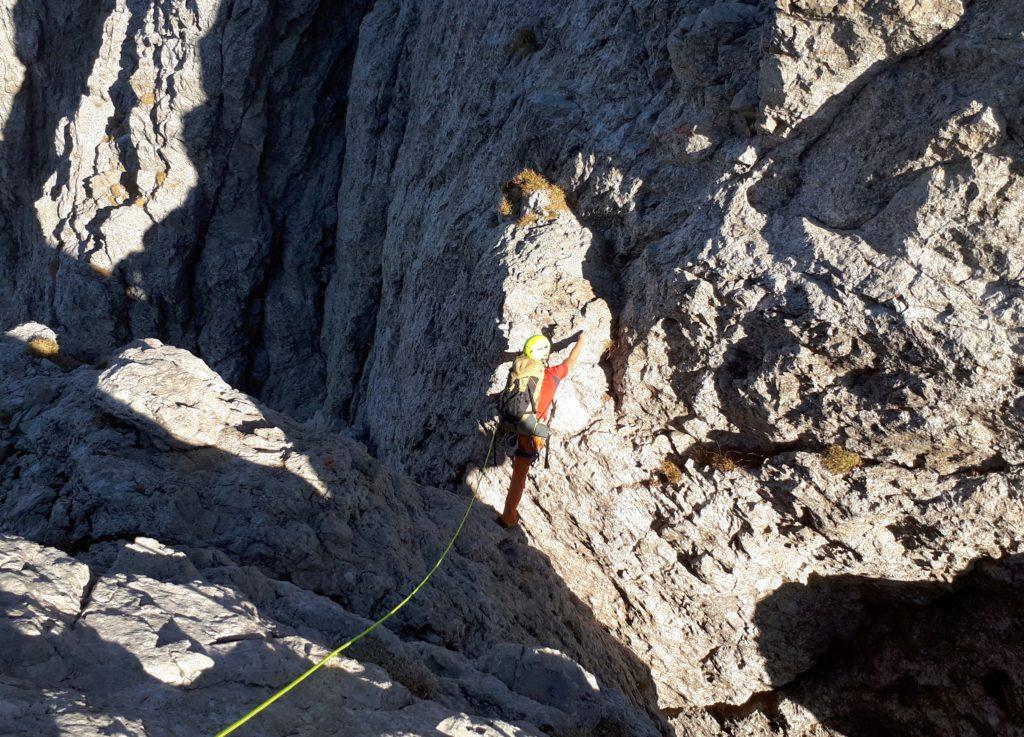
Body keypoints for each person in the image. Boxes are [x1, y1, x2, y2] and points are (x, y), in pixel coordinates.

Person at [497, 330, 585, 528]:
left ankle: (508, 516)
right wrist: (581, 340)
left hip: (512, 423)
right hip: (530, 431)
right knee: (519, 474)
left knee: (518, 469)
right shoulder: (553, 374)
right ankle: (508, 516)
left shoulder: (520, 370)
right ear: (544, 356)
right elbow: (571, 361)